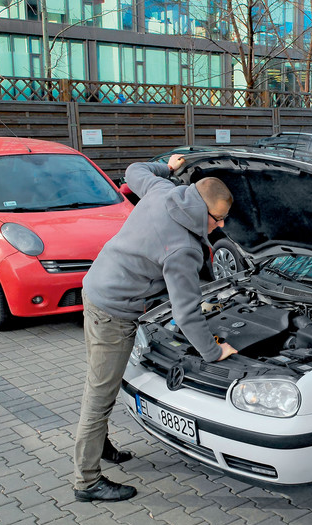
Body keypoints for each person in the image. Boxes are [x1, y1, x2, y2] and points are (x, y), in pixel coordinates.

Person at [73, 153, 238, 502]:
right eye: (219, 219)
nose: (221, 226)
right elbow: (188, 313)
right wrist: (214, 350)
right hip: (114, 312)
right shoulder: (182, 248)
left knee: (101, 381)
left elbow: (134, 169)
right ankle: (86, 482)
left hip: (95, 289)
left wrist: (170, 166)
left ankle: (100, 449)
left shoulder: (163, 190)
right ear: (203, 211)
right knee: (99, 396)